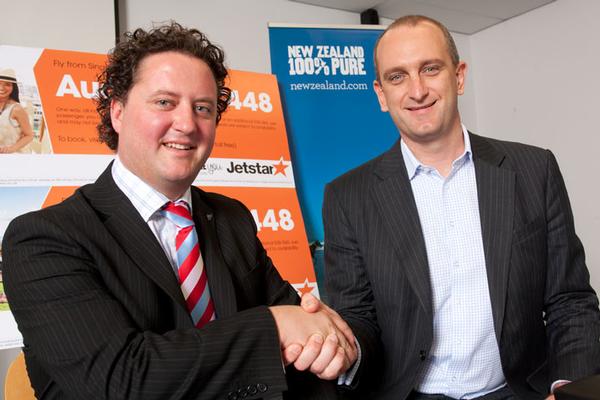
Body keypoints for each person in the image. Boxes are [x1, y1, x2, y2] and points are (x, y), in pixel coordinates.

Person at [2, 23, 357, 400]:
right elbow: (120, 382)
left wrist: (326, 344)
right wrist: (272, 326)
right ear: (118, 113)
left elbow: (304, 334)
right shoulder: (43, 238)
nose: (187, 124)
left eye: (202, 108)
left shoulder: (231, 218)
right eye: (164, 102)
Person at [322, 15, 600, 400]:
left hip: (517, 392)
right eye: (397, 77)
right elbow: (358, 319)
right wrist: (340, 348)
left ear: (459, 76)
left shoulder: (535, 171)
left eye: (430, 69)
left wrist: (569, 388)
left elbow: (570, 299)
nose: (416, 90)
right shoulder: (347, 197)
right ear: (381, 95)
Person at [0, 68, 33, 153]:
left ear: (13, 87)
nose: (2, 88)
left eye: (7, 84)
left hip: (11, 159)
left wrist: (12, 149)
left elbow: (29, 135)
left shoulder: (16, 109)